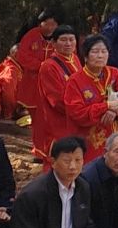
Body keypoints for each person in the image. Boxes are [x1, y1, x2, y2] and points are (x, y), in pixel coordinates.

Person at [65, 36, 118, 153]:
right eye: (95, 52)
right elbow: (77, 113)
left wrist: (115, 111)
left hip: (117, 134)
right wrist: (106, 106)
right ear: (85, 56)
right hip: (89, 140)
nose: (100, 56)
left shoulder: (115, 74)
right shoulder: (75, 81)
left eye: (104, 51)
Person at [31, 26, 82, 161]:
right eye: (63, 40)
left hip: (74, 112)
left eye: (71, 39)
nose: (68, 43)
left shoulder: (75, 59)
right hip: (58, 115)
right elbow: (56, 99)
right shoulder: (48, 66)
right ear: (53, 43)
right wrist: (81, 110)